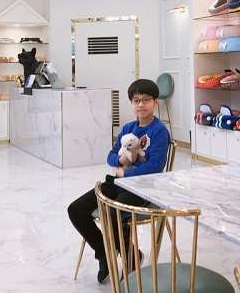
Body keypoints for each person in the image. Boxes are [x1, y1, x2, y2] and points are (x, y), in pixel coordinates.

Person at [68, 78, 171, 284]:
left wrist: (126, 175)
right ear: (131, 103)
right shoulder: (128, 128)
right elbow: (111, 156)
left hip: (145, 188)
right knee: (76, 210)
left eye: (146, 100)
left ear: (155, 102)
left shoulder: (159, 131)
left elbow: (155, 166)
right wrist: (120, 161)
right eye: (136, 100)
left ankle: (131, 258)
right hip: (118, 183)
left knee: (112, 212)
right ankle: (104, 253)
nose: (141, 105)